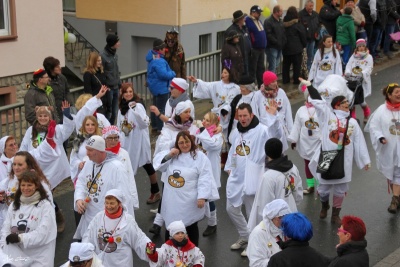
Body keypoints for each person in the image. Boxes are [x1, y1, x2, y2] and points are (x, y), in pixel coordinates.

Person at [300, 78, 370, 224]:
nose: (347, 105)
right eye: (344, 103)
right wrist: (310, 87)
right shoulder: (327, 116)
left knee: (340, 189)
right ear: (336, 105)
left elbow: (359, 142)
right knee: (324, 189)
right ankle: (325, 205)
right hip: (327, 157)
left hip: (344, 160)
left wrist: (364, 161)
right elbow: (318, 102)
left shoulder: (352, 123)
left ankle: (336, 214)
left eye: (347, 103)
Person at [225, 103, 281, 256]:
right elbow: (233, 151)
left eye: (245, 116)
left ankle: (255, 244)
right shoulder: (237, 131)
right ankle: (246, 235)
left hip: (254, 177)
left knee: (254, 213)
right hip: (236, 177)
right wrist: (230, 166)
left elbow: (275, 136)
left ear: (251, 115)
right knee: (231, 208)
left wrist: (272, 118)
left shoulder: (262, 130)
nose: (243, 119)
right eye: (240, 116)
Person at [153, 131, 219, 246]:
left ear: (191, 141)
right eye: (181, 142)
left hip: (189, 202)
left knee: (190, 227)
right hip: (172, 201)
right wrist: (170, 155)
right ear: (177, 144)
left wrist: (202, 196)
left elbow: (205, 177)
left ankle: (193, 254)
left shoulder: (200, 157)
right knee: (171, 228)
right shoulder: (173, 155)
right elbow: (159, 166)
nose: (184, 145)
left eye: (187, 141)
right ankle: (169, 253)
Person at [149, 102, 199, 235]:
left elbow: (201, 140)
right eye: (186, 112)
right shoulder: (168, 128)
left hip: (189, 171)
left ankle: (189, 226)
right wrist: (176, 143)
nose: (189, 114)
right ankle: (161, 224)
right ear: (179, 114)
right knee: (167, 198)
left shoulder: (193, 127)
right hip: (172, 170)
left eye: (190, 111)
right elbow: (161, 146)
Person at [73, 136, 136, 240]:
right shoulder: (89, 162)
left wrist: (122, 225)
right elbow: (81, 182)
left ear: (100, 151)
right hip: (89, 217)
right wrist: (79, 198)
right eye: (87, 149)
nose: (87, 153)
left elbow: (124, 196)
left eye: (90, 150)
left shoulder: (116, 168)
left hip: (108, 221)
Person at [0, 171, 57, 267]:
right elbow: (5, 228)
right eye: (23, 185)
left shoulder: (46, 207)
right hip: (18, 257)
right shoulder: (14, 205)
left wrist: (20, 238)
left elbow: (43, 234)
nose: (26, 188)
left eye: (29, 185)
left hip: (39, 257)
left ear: (37, 186)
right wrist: (3, 244)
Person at [82, 189, 150, 266]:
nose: (108, 206)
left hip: (121, 263)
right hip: (101, 263)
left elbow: (139, 239)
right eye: (106, 203)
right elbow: (88, 235)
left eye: (112, 203)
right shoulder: (98, 218)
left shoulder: (127, 221)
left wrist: (150, 249)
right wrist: (83, 253)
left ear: (119, 203)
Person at [117, 83, 160, 204]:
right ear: (122, 93)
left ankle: (155, 191)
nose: (129, 94)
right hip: (127, 143)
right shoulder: (121, 109)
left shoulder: (138, 106)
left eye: (131, 91)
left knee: (146, 164)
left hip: (139, 142)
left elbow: (144, 123)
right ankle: (125, 194)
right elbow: (119, 126)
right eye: (126, 92)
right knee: (126, 168)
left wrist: (135, 110)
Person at [247, 138, 303, 232]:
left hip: (277, 222)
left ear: (267, 153)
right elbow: (298, 193)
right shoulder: (293, 168)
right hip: (292, 216)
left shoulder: (268, 176)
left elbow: (264, 205)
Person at [20, 104, 74, 189]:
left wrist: (67, 116)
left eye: (45, 116)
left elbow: (67, 130)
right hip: (36, 167)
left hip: (52, 168)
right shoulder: (31, 130)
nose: (42, 118)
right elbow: (24, 146)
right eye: (40, 116)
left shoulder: (56, 129)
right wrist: (21, 159)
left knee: (46, 194)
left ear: (49, 116)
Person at [365, 83, 400, 213]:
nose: (399, 94)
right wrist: (380, 137)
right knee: (391, 174)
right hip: (388, 148)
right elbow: (374, 126)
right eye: (396, 92)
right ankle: (397, 196)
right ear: (389, 95)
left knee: (398, 174)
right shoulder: (381, 110)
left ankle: (394, 200)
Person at [0, 151, 55, 230]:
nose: (16, 167)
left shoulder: (39, 183)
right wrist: (2, 199)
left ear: (29, 166)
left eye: (20, 164)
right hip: (11, 224)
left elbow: (49, 208)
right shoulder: (10, 180)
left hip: (32, 225)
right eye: (14, 164)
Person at [189, 67, 241, 142]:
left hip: (229, 115)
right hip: (216, 114)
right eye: (222, 72)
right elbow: (206, 86)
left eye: (225, 73)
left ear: (231, 74)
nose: (222, 74)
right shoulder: (216, 85)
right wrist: (196, 81)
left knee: (229, 134)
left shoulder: (236, 88)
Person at [288, 86, 321, 194]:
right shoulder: (301, 110)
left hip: (318, 142)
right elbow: (297, 125)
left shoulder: (322, 109)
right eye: (309, 96)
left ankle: (320, 187)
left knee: (319, 164)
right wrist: (294, 140)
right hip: (305, 142)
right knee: (307, 163)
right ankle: (311, 186)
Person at [195, 112, 224, 236]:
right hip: (200, 171)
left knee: (210, 198)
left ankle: (212, 224)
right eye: (204, 119)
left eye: (207, 120)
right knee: (200, 196)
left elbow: (212, 144)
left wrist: (202, 131)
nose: (204, 122)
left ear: (214, 123)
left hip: (212, 172)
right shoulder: (202, 133)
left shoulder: (218, 136)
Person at [247, 199, 292, 267]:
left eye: (286, 217)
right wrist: (280, 262)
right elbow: (256, 264)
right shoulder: (258, 234)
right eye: (280, 218)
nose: (284, 221)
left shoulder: (287, 228)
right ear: (271, 218)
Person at [253, 71, 293, 145]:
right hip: (265, 129)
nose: (275, 83)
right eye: (272, 81)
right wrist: (257, 131)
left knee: (280, 152)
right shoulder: (258, 95)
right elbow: (255, 113)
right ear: (267, 83)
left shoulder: (281, 92)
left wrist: (291, 131)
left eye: (276, 81)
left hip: (279, 128)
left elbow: (288, 111)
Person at [146, 38, 176, 133]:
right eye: (163, 48)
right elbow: (164, 75)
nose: (165, 50)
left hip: (155, 87)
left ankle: (154, 126)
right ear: (159, 49)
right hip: (162, 88)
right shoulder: (159, 61)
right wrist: (173, 73)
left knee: (154, 107)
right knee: (161, 109)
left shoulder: (153, 58)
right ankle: (160, 128)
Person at [345, 38, 373, 124]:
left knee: (361, 101)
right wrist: (348, 72)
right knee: (351, 99)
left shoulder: (368, 57)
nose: (361, 48)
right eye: (359, 46)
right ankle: (353, 117)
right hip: (352, 80)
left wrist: (363, 73)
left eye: (363, 46)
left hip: (361, 81)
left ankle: (367, 113)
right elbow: (349, 65)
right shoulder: (353, 56)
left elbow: (369, 67)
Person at [282, 6, 307, 84]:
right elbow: (303, 35)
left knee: (286, 66)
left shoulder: (283, 24)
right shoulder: (297, 24)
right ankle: (296, 80)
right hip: (296, 49)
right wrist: (304, 45)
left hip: (286, 48)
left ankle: (285, 80)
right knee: (296, 66)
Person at [43, 56, 72, 123]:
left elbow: (67, 90)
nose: (60, 68)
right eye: (57, 67)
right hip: (54, 113)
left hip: (65, 109)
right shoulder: (46, 82)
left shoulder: (62, 77)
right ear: (51, 69)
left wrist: (69, 103)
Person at [227, 76, 257, 140]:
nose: (240, 88)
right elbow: (230, 106)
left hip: (249, 126)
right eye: (240, 86)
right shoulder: (238, 97)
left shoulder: (255, 98)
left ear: (249, 88)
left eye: (242, 87)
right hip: (235, 125)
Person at [101, 34, 121, 124]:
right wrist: (106, 85)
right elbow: (102, 73)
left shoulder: (115, 55)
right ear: (112, 43)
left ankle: (111, 127)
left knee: (115, 111)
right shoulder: (103, 55)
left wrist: (119, 83)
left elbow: (116, 70)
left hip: (116, 87)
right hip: (109, 88)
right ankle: (106, 128)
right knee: (109, 111)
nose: (119, 44)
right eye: (117, 42)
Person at [225, 10, 252, 76]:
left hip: (246, 58)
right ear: (239, 20)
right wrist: (228, 68)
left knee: (246, 76)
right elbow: (226, 50)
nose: (244, 19)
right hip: (237, 60)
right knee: (238, 78)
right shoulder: (231, 31)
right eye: (243, 18)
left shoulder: (244, 28)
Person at [246, 5, 267, 86]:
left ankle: (261, 84)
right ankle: (252, 84)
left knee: (261, 68)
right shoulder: (248, 21)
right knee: (253, 68)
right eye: (258, 13)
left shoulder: (259, 21)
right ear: (253, 13)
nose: (259, 14)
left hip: (261, 48)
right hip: (254, 48)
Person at [299, 0, 320, 71]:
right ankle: (302, 70)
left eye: (312, 6)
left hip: (312, 39)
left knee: (310, 55)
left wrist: (317, 31)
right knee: (303, 56)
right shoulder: (301, 14)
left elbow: (319, 25)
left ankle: (309, 69)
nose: (311, 8)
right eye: (310, 6)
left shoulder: (315, 14)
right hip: (304, 40)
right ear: (306, 6)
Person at [264, 5, 286, 73]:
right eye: (281, 11)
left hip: (279, 47)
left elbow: (283, 32)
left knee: (276, 65)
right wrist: (277, 42)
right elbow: (268, 35)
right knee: (272, 66)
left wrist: (284, 41)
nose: (282, 12)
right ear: (276, 12)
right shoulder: (268, 21)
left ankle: (273, 80)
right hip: (272, 47)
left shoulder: (280, 21)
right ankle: (271, 82)